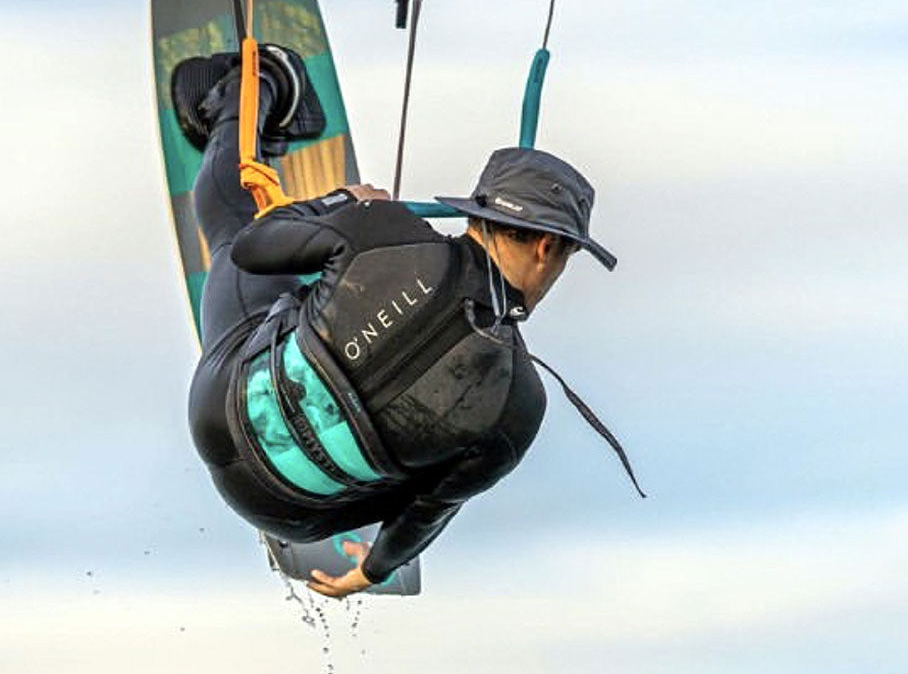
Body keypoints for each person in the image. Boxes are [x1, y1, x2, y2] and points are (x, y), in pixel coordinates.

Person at [177, 47, 621, 599]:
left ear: (479, 216)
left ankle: (255, 85)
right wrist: (365, 574)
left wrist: (342, 203)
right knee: (443, 466)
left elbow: (253, 248)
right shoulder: (520, 405)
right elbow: (424, 517)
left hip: (220, 412)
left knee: (234, 223)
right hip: (286, 510)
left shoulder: (384, 231)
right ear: (548, 248)